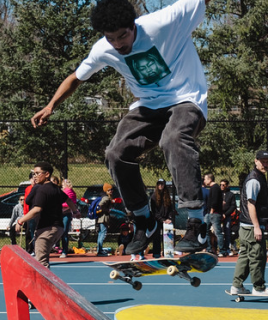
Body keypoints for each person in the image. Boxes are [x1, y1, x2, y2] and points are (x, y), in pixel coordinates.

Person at [30, 0, 213, 256]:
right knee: (115, 153)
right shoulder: (102, 49)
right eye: (111, 38)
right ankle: (143, 220)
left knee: (172, 139)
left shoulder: (164, 22)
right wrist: (51, 106)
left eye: (122, 36)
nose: (118, 44)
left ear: (133, 26)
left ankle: (196, 221)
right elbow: (76, 78)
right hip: (148, 106)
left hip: (186, 99)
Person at [230, 150, 268, 296]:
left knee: (244, 255)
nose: (265, 164)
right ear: (255, 161)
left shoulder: (259, 178)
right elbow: (251, 204)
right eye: (262, 161)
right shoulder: (254, 179)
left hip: (248, 226)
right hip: (251, 227)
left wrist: (264, 222)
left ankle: (236, 286)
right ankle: (259, 287)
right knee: (257, 256)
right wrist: (257, 226)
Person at [14, 162, 78, 268]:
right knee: (43, 259)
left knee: (41, 263)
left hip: (46, 229)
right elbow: (68, 199)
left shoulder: (42, 190)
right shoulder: (55, 188)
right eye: (34, 173)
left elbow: (37, 209)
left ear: (47, 174)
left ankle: (43, 284)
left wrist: (21, 221)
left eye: (38, 173)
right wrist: (75, 212)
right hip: (58, 228)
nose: (35, 176)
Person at [150, 179, 175, 258]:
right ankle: (156, 253)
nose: (160, 185)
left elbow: (170, 208)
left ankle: (167, 253)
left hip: (167, 220)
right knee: (156, 236)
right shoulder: (153, 197)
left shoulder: (167, 196)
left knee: (168, 237)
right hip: (157, 220)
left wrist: (169, 218)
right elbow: (154, 211)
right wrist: (162, 220)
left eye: (162, 184)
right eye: (159, 184)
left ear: (164, 185)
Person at [60, 178, 79, 258]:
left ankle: (64, 250)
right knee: (62, 232)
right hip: (62, 213)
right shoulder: (65, 192)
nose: (62, 187)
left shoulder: (68, 192)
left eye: (63, 185)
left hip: (65, 213)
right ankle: (61, 249)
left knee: (64, 232)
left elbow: (69, 203)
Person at [204, 174, 222, 254]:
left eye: (205, 179)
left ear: (210, 179)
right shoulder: (212, 188)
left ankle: (222, 250)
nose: (204, 181)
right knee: (206, 230)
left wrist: (212, 210)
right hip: (209, 213)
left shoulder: (215, 188)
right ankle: (209, 248)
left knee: (217, 232)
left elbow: (214, 201)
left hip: (214, 213)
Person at [96, 183, 115, 257]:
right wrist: (107, 210)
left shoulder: (107, 197)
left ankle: (99, 250)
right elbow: (100, 205)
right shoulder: (106, 198)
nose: (111, 191)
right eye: (109, 190)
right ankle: (100, 251)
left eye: (112, 190)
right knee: (103, 234)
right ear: (106, 191)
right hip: (103, 218)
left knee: (101, 233)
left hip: (102, 218)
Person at [219, 179, 237, 257]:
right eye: (221, 185)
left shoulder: (231, 195)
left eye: (223, 185)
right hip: (218, 215)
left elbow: (233, 206)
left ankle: (227, 249)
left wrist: (226, 214)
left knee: (227, 232)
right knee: (218, 233)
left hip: (227, 216)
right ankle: (220, 249)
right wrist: (220, 213)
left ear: (227, 185)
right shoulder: (218, 194)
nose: (222, 186)